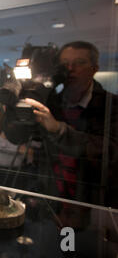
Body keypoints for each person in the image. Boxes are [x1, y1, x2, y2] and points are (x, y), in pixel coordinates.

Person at [18, 41, 118, 207]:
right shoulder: (51, 103)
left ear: (94, 68)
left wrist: (59, 131)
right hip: (52, 198)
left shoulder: (111, 105)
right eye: (64, 64)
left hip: (94, 202)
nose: (70, 69)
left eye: (79, 63)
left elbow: (111, 151)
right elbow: (18, 137)